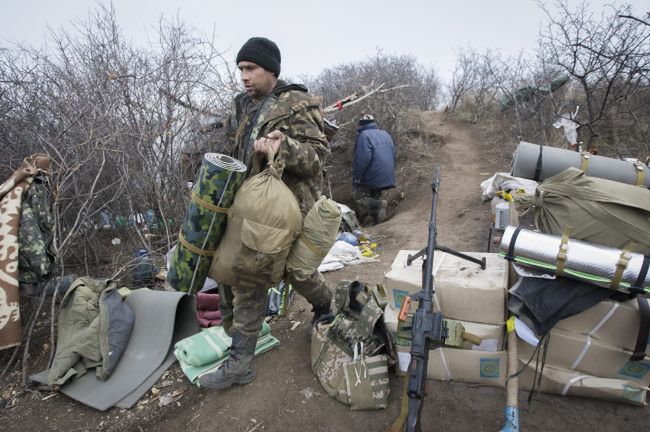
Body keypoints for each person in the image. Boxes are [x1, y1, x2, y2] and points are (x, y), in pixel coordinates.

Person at [199, 37, 335, 390]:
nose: (244, 76)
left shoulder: (297, 103)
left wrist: (283, 146)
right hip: (249, 210)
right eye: (241, 69)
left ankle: (325, 304)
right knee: (246, 277)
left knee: (298, 272)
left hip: (288, 210)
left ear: (271, 70)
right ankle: (240, 361)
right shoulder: (241, 107)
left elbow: (317, 160)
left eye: (251, 69)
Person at [352, 114, 396, 225]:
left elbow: (363, 159)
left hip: (372, 175)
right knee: (375, 196)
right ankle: (378, 223)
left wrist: (357, 178)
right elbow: (393, 153)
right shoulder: (385, 134)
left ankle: (378, 205)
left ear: (361, 125)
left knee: (360, 199)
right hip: (387, 175)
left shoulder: (364, 135)